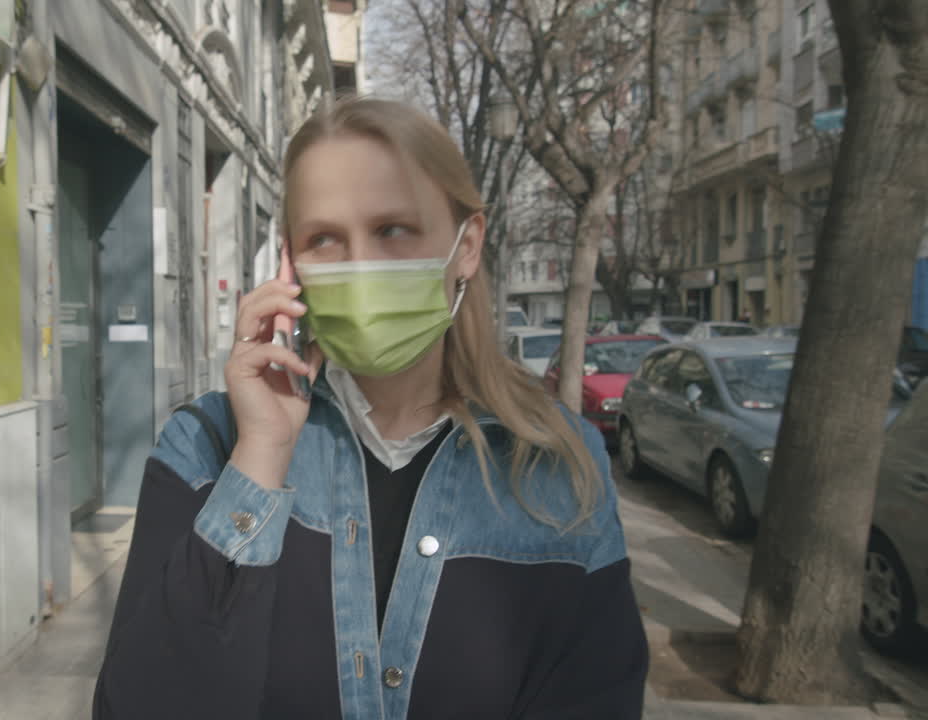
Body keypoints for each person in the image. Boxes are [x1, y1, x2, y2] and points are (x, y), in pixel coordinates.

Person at [93, 97, 648, 719]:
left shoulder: (560, 467)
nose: (360, 265)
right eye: (324, 238)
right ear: (291, 263)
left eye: (392, 230)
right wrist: (259, 460)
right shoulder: (203, 450)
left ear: (467, 245)